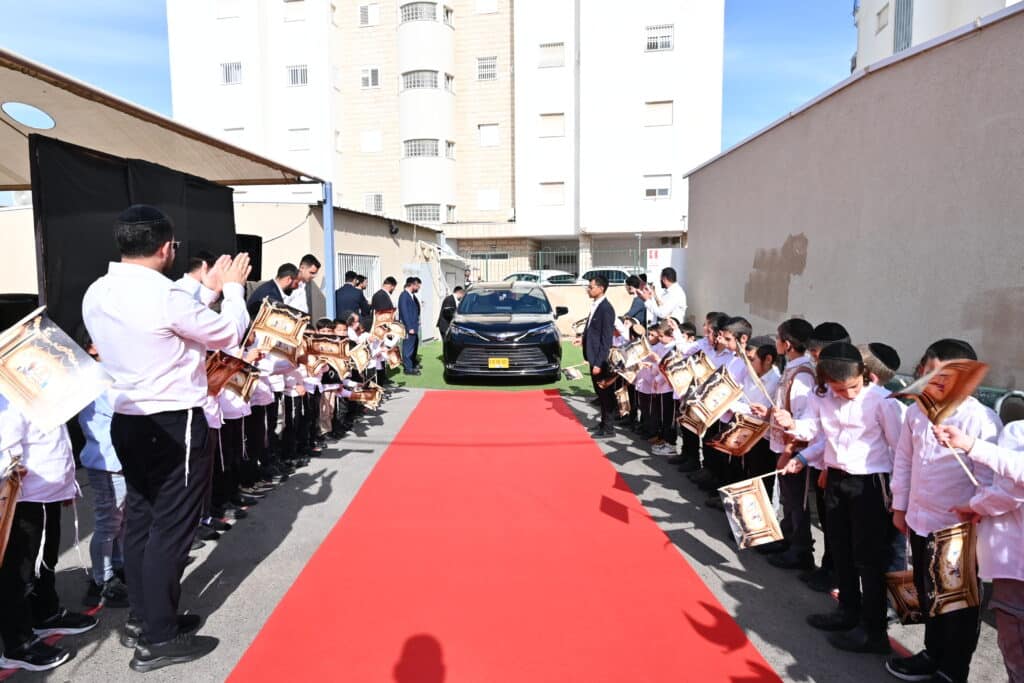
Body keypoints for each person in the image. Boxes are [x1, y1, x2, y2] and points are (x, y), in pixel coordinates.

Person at [82, 204, 250, 672]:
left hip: (128, 417)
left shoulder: (98, 291)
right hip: (174, 420)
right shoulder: (165, 296)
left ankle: (145, 616)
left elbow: (172, 313)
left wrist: (205, 288)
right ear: (165, 247)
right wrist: (232, 290)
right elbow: (227, 333)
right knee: (171, 527)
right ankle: (158, 637)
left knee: (141, 518)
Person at [774, 343, 903, 654]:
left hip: (870, 483)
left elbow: (900, 451)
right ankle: (847, 610)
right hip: (835, 479)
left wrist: (900, 497)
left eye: (854, 386)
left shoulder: (882, 401)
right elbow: (816, 432)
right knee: (840, 549)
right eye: (839, 389)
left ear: (864, 374)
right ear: (826, 382)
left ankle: (873, 630)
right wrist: (792, 426)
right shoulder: (821, 396)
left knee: (869, 559)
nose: (848, 394)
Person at [888, 339, 1001, 683]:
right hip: (920, 520)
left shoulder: (982, 420)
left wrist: (977, 511)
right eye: (929, 372)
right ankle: (931, 653)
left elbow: (990, 480)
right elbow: (904, 460)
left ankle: (953, 670)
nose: (935, 382)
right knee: (927, 593)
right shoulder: (916, 411)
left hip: (958, 531)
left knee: (957, 605)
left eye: (945, 376)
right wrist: (900, 506)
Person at [0, 397, 98, 673]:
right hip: (25, 497)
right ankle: (18, 644)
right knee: (18, 573)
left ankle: (45, 613)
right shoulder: (8, 394)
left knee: (45, 560)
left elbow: (52, 440)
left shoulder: (35, 389)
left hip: (46, 492)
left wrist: (65, 485)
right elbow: (6, 446)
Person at [937, 419, 1024, 683]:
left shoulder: (1015, 430)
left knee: (1016, 641)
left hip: (1015, 561)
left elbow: (1012, 488)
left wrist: (976, 505)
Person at [78, 334, 129, 610]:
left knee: (122, 518)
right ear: (91, 348)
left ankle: (118, 566)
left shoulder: (111, 371)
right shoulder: (95, 376)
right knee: (109, 521)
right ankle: (102, 578)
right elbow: (121, 406)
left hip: (118, 458)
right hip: (106, 461)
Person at [582, 275, 616, 438]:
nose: (588, 290)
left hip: (600, 359)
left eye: (591, 287)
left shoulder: (606, 308)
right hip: (592, 355)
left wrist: (599, 362)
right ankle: (603, 423)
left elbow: (606, 339)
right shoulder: (596, 305)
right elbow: (593, 330)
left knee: (605, 393)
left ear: (601, 288)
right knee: (600, 394)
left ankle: (609, 427)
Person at [398, 277, 421, 375]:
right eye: (418, 286)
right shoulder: (404, 296)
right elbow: (405, 313)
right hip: (409, 327)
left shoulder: (411, 295)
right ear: (412, 285)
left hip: (414, 325)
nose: (419, 288)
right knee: (408, 348)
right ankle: (408, 368)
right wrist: (409, 327)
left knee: (413, 345)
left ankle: (411, 364)